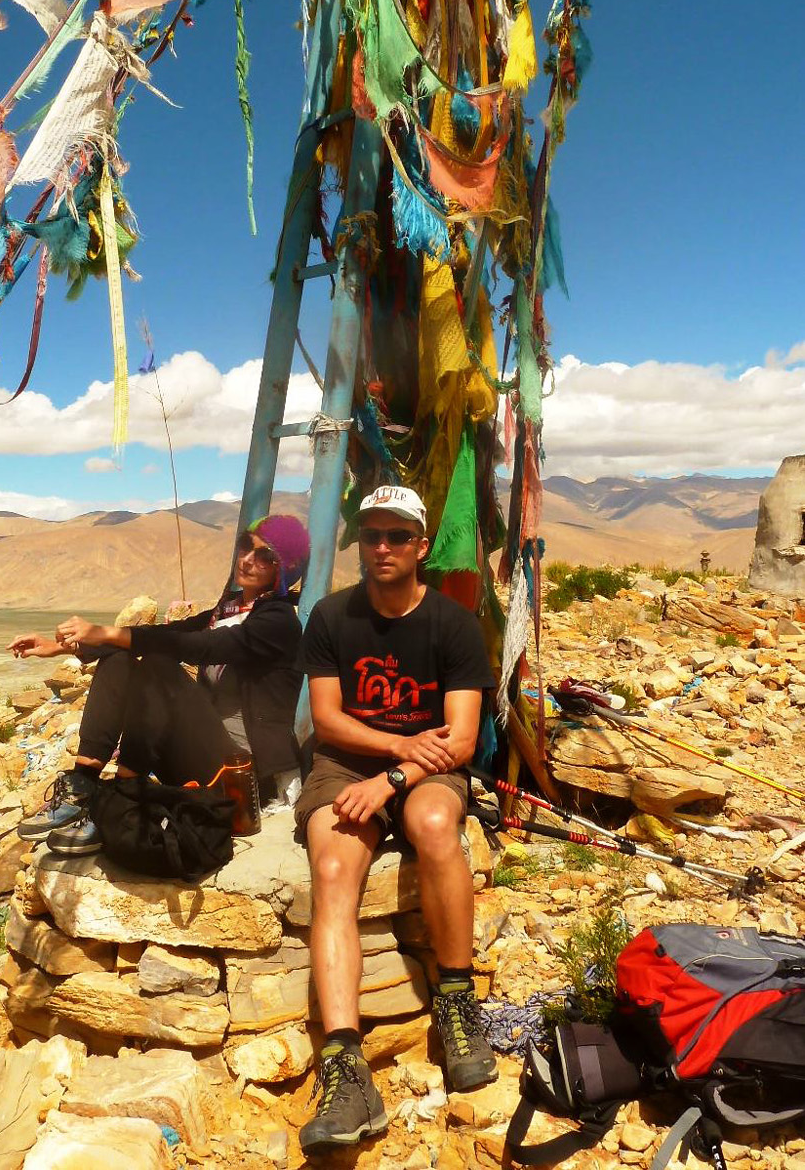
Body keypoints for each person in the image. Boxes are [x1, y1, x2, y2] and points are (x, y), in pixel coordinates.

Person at [294, 485, 496, 1154]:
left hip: (426, 765)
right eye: (372, 535)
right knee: (331, 864)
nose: (382, 547)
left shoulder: (453, 624)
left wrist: (398, 776)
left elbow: (460, 740)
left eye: (397, 536)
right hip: (349, 762)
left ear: (420, 545)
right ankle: (346, 1065)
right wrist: (390, 753)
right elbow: (327, 718)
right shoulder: (329, 616)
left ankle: (456, 1000)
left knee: (437, 826)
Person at [7, 514, 310, 856]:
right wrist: (61, 646)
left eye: (266, 556)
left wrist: (105, 631)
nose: (248, 559)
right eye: (245, 547)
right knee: (122, 657)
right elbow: (165, 634)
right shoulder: (227, 609)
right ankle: (84, 786)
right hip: (203, 754)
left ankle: (122, 802)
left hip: (243, 775)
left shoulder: (278, 622)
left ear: (285, 569)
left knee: (158, 667)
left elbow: (200, 647)